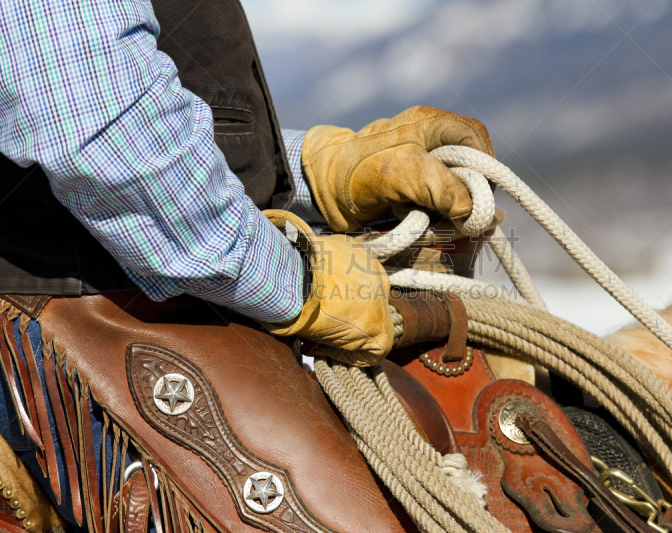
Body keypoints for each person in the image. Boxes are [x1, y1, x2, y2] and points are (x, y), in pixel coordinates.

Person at [0, 0, 494, 527]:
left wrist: (311, 172)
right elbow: (84, 120)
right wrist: (297, 284)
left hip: (172, 283)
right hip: (79, 306)